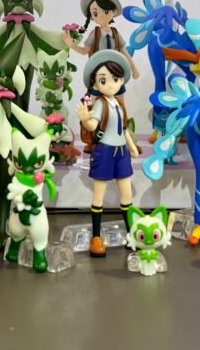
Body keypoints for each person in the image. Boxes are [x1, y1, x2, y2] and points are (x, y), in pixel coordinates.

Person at [76, 50, 140, 257]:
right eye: (104, 80)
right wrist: (85, 119)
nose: (111, 84)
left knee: (127, 196)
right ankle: (96, 237)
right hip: (105, 152)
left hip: (121, 152)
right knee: (99, 196)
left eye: (115, 79)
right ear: (95, 85)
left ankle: (131, 233)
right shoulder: (100, 104)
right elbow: (93, 125)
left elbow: (124, 129)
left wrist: (131, 147)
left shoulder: (119, 104)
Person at [62, 0, 140, 79]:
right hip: (99, 71)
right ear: (91, 17)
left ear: (113, 12)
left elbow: (124, 52)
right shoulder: (95, 34)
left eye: (106, 11)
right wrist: (71, 45)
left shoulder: (115, 33)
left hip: (115, 71)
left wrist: (134, 69)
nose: (101, 16)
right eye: (95, 13)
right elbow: (84, 51)